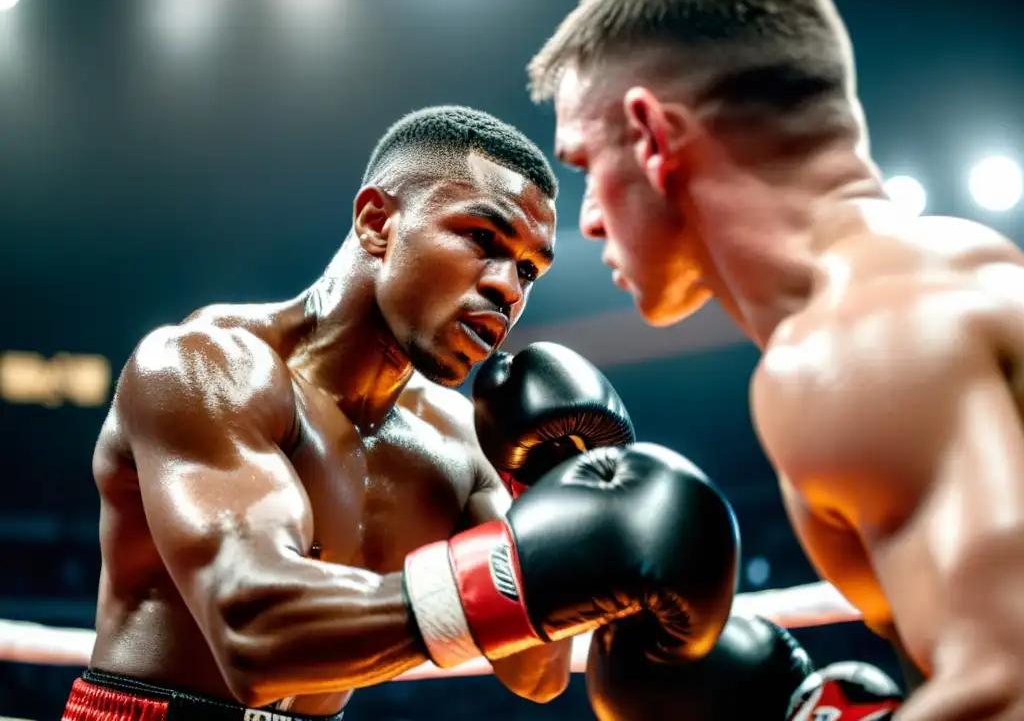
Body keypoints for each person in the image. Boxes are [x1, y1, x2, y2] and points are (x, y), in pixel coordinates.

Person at [63, 105, 741, 720]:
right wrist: (529, 573)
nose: (507, 287)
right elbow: (255, 636)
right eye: (483, 238)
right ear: (378, 222)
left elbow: (535, 674)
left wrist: (551, 496)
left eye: (529, 270)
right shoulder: (203, 369)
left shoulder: (455, 445)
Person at [529, 0, 1024, 718]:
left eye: (586, 166)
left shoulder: (858, 345)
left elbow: (1006, 689)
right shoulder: (951, 265)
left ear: (651, 136)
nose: (588, 216)